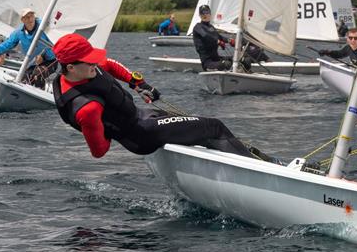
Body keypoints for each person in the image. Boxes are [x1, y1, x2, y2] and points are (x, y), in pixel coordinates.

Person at [51, 33, 270, 160]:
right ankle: (260, 170)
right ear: (70, 67)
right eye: (89, 61)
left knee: (200, 131)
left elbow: (108, 65)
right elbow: (99, 151)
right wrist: (101, 127)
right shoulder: (87, 109)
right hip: (141, 135)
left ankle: (258, 159)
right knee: (214, 127)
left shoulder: (83, 68)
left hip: (143, 115)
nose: (94, 63)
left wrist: (138, 84)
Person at [0, 8, 58, 88]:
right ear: (22, 20)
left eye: (32, 16)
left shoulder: (44, 27)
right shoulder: (19, 32)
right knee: (23, 80)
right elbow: (6, 45)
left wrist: (43, 56)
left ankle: (40, 96)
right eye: (27, 17)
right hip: (33, 62)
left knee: (38, 74)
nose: (30, 19)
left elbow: (54, 42)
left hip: (50, 60)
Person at [192, 5, 235, 71]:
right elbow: (206, 36)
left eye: (207, 12)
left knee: (234, 60)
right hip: (208, 62)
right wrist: (218, 42)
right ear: (200, 15)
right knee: (226, 64)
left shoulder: (211, 27)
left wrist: (230, 40)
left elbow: (220, 37)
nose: (205, 15)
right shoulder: (198, 27)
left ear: (210, 14)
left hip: (216, 59)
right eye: (203, 13)